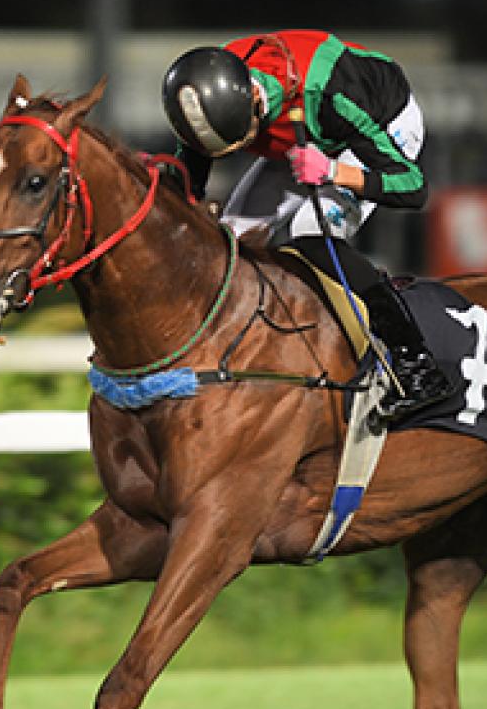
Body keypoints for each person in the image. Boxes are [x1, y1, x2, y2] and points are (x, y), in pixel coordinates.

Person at [161, 30, 455, 421]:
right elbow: (191, 183)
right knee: (228, 240)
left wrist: (334, 171)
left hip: (379, 123)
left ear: (253, 100)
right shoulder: (209, 83)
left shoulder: (335, 96)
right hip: (300, 129)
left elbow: (414, 188)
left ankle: (415, 362)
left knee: (310, 234)